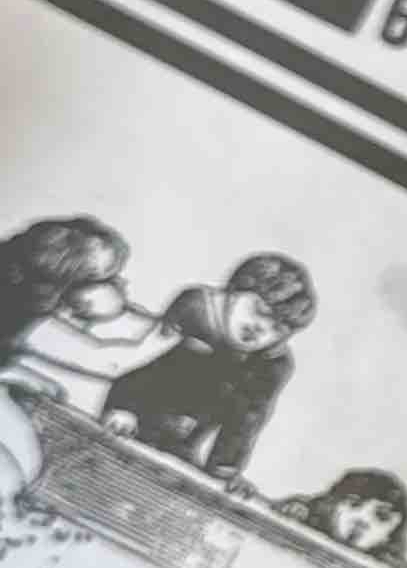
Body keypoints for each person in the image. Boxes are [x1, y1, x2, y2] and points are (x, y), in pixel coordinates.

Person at [0, 217, 176, 510]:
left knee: (25, 468)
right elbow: (109, 363)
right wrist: (169, 331)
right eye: (102, 278)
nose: (119, 284)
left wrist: (15, 374)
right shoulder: (28, 314)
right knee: (20, 474)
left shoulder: (24, 297)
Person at [102, 251, 316, 484]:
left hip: (182, 446)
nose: (261, 328)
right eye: (260, 311)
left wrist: (225, 470)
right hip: (128, 420)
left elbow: (246, 420)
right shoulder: (196, 309)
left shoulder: (272, 363)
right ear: (234, 291)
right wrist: (124, 408)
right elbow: (143, 362)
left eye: (277, 328)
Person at [274, 468, 407, 568]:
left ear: (392, 533)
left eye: (381, 516)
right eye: (354, 503)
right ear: (331, 504)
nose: (362, 519)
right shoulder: (299, 516)